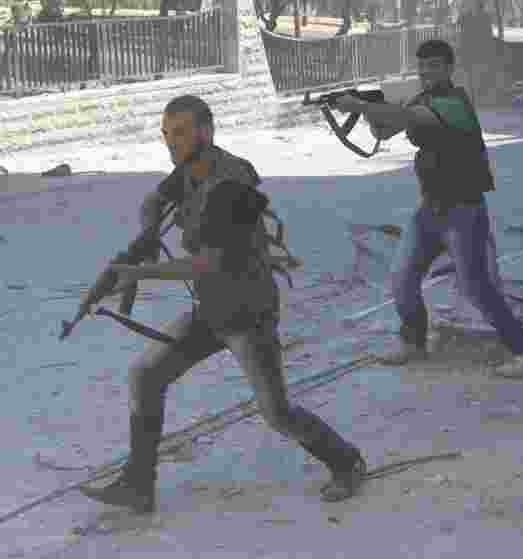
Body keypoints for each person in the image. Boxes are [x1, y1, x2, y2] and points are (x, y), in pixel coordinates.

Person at [79, 94, 367, 512]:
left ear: (206, 132)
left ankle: (348, 462)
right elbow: (154, 200)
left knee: (276, 412)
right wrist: (147, 234)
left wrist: (137, 274)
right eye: (165, 133)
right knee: (145, 375)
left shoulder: (231, 183)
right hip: (211, 310)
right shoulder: (190, 170)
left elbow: (204, 265)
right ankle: (139, 485)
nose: (170, 142)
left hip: (247, 314)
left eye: (180, 132)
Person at [327, 39, 523, 379]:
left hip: (463, 210)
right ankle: (414, 343)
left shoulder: (455, 102)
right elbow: (387, 128)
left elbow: (404, 116)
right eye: (423, 66)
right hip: (430, 209)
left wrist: (359, 104)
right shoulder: (423, 101)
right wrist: (367, 108)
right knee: (401, 280)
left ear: (448, 69)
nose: (426, 72)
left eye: (434, 66)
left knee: (477, 289)